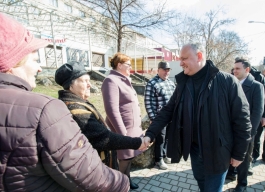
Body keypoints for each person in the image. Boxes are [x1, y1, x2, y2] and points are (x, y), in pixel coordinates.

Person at [0, 13, 129, 191]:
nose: (39, 67)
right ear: (70, 85)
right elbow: (86, 171)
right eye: (35, 60)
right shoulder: (50, 110)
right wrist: (123, 182)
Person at [143, 43, 252, 192]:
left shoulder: (228, 82)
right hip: (195, 151)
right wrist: (150, 134)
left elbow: (243, 121)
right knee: (201, 184)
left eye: (184, 58)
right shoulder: (183, 83)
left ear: (199, 56)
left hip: (218, 152)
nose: (180, 63)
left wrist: (239, 153)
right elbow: (167, 111)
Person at [55, 61, 146, 170]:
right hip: (93, 169)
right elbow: (103, 138)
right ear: (71, 85)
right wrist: (138, 142)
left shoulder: (76, 102)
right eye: (85, 81)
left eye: (89, 80)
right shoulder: (75, 109)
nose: (90, 85)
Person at [101, 52, 143, 190]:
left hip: (133, 128)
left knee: (129, 157)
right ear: (119, 65)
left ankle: (127, 180)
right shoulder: (111, 80)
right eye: (128, 64)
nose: (131, 67)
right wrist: (122, 134)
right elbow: (111, 110)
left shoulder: (124, 79)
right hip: (123, 130)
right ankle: (118, 186)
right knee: (124, 159)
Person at [226, 59, 264, 192]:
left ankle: (241, 184)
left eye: (238, 68)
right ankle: (231, 174)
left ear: (247, 70)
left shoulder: (256, 86)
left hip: (246, 132)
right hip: (230, 129)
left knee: (243, 159)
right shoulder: (231, 83)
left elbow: (257, 112)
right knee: (230, 154)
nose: (234, 71)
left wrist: (249, 132)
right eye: (234, 68)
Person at [144, 61, 175, 170]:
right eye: (164, 69)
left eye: (168, 70)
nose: (166, 72)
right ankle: (158, 160)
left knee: (168, 137)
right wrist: (153, 118)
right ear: (158, 70)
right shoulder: (152, 83)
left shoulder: (170, 83)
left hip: (171, 117)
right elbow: (148, 102)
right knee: (160, 138)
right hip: (159, 118)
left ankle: (165, 155)